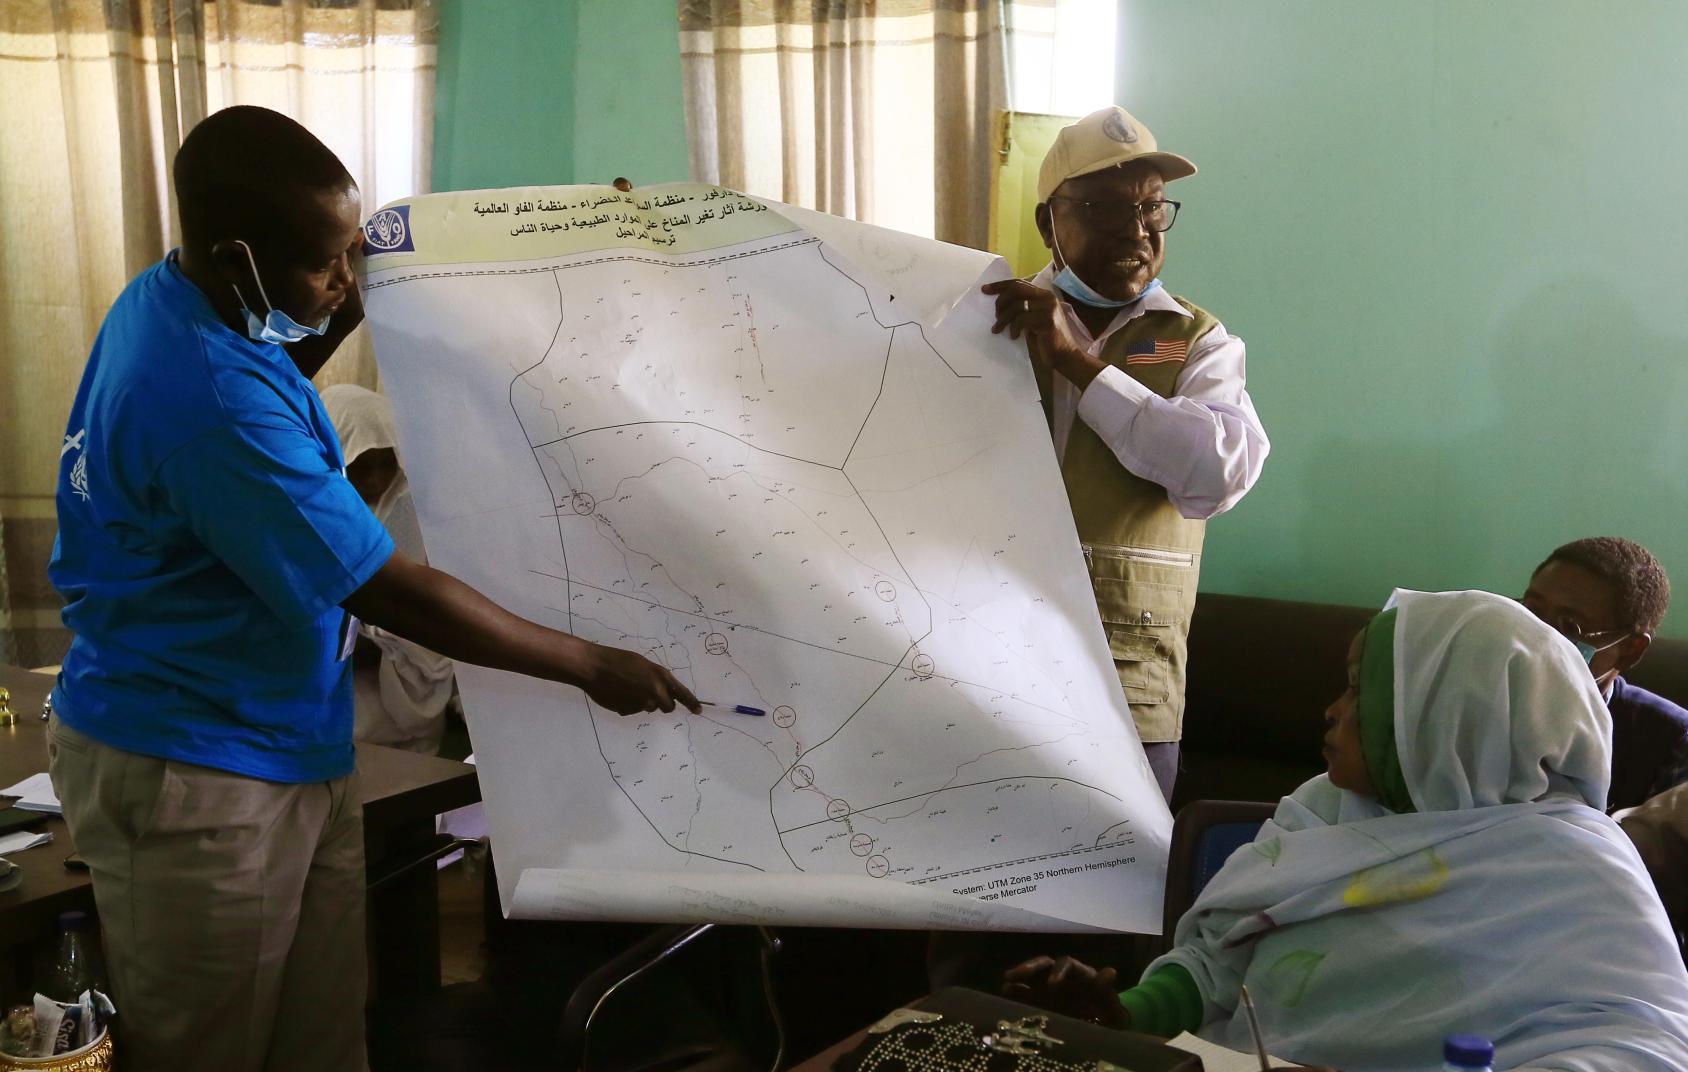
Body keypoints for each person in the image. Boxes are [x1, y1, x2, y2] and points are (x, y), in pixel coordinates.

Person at [45, 106, 698, 1072]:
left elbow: (282, 357)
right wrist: (589, 663)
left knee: (320, 1042)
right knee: (211, 1052)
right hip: (196, 769)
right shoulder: (205, 401)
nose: (347, 279)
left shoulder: (178, 295)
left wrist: (532, 253)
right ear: (238, 256)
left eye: (353, 251)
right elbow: (392, 592)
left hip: (281, 738)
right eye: (329, 264)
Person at [1003, 590, 1688, 1071]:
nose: (1331, 711)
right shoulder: (1321, 810)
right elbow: (1219, 965)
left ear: (1446, 718)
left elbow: (1643, 1050)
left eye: (1361, 692)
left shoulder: (1577, 871)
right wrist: (1124, 1013)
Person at [981, 105, 1269, 803]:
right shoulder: (982, 322)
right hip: (989, 656)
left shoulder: (1199, 340)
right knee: (980, 891)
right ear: (1051, 222)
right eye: (1106, 208)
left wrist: (1077, 364)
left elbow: (1216, 473)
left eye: (1150, 209)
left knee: (1123, 897)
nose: (1136, 231)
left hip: (1131, 678)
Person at [322, 384, 454, 754]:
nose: (378, 481)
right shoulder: (306, 517)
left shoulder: (411, 514)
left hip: (403, 688)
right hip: (327, 688)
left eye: (387, 462)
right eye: (363, 465)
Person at [1520, 536, 1688, 811]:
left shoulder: (1673, 743)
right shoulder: (1479, 696)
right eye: (1531, 610)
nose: (1540, 634)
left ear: (1630, 650)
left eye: (1570, 627)